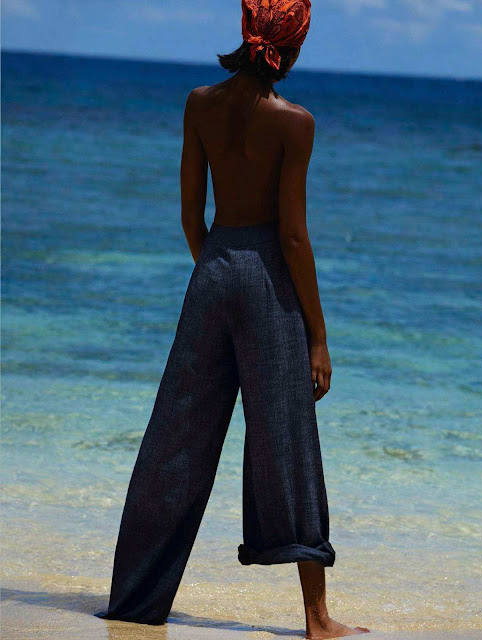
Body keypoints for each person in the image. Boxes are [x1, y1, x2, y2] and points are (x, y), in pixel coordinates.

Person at [95, 1, 369, 638]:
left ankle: (134, 602)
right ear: (290, 47)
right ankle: (316, 619)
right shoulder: (294, 122)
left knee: (175, 441)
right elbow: (293, 236)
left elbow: (191, 214)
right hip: (268, 280)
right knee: (288, 439)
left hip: (213, 271)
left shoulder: (199, 103)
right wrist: (319, 338)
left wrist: (218, 269)